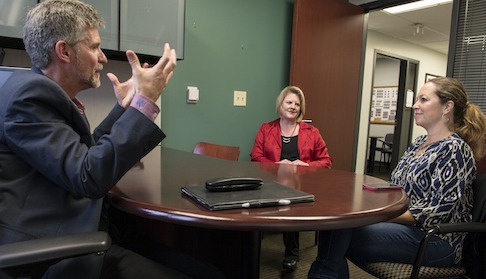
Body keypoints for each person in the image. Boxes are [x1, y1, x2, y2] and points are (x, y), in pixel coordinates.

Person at [0, 1, 222, 278]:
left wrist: (124, 109)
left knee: (207, 270)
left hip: (83, 232)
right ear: (64, 51)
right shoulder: (30, 97)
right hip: (54, 253)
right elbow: (88, 176)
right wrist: (145, 103)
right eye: (93, 47)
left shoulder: (32, 89)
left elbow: (82, 155)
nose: (103, 57)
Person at [308, 77, 486, 279]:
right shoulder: (419, 143)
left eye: (423, 100)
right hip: (406, 227)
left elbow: (433, 213)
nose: (415, 105)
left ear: (447, 107)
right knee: (337, 230)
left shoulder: (455, 150)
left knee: (338, 234)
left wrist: (377, 214)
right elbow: (396, 188)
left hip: (438, 240)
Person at [250, 85, 332, 271]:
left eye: (297, 103)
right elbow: (255, 156)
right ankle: (251, 251)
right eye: (289, 102)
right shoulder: (266, 129)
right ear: (281, 104)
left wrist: (306, 165)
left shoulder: (312, 132)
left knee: (290, 202)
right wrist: (277, 165)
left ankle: (291, 253)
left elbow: (326, 161)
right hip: (270, 182)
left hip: (301, 185)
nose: (293, 106)